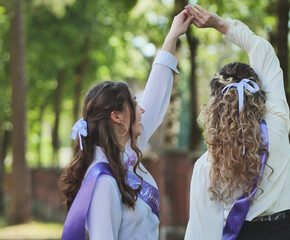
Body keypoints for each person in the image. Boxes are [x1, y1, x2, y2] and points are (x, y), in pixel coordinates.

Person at [58, 10, 193, 240]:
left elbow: (155, 96)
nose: (142, 109)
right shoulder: (102, 181)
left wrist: (171, 37)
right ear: (117, 117)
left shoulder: (126, 153)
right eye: (134, 103)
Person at [184, 5, 290, 240]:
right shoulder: (277, 121)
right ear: (258, 92)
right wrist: (219, 23)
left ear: (215, 106)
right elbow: (263, 51)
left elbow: (202, 232)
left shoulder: (209, 163)